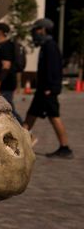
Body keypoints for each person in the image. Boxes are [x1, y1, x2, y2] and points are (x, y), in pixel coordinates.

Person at [24, 17, 71, 158]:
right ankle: (20, 143)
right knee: (30, 116)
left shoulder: (50, 46)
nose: (35, 32)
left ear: (43, 30)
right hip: (43, 89)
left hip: (47, 90)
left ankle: (65, 148)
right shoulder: (45, 45)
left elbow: (53, 68)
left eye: (37, 29)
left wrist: (50, 88)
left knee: (54, 117)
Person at [0, 22, 22, 123]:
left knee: (8, 110)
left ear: (0, 32)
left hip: (4, 85)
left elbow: (6, 66)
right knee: (4, 109)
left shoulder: (6, 46)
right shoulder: (0, 46)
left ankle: (23, 128)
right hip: (1, 85)